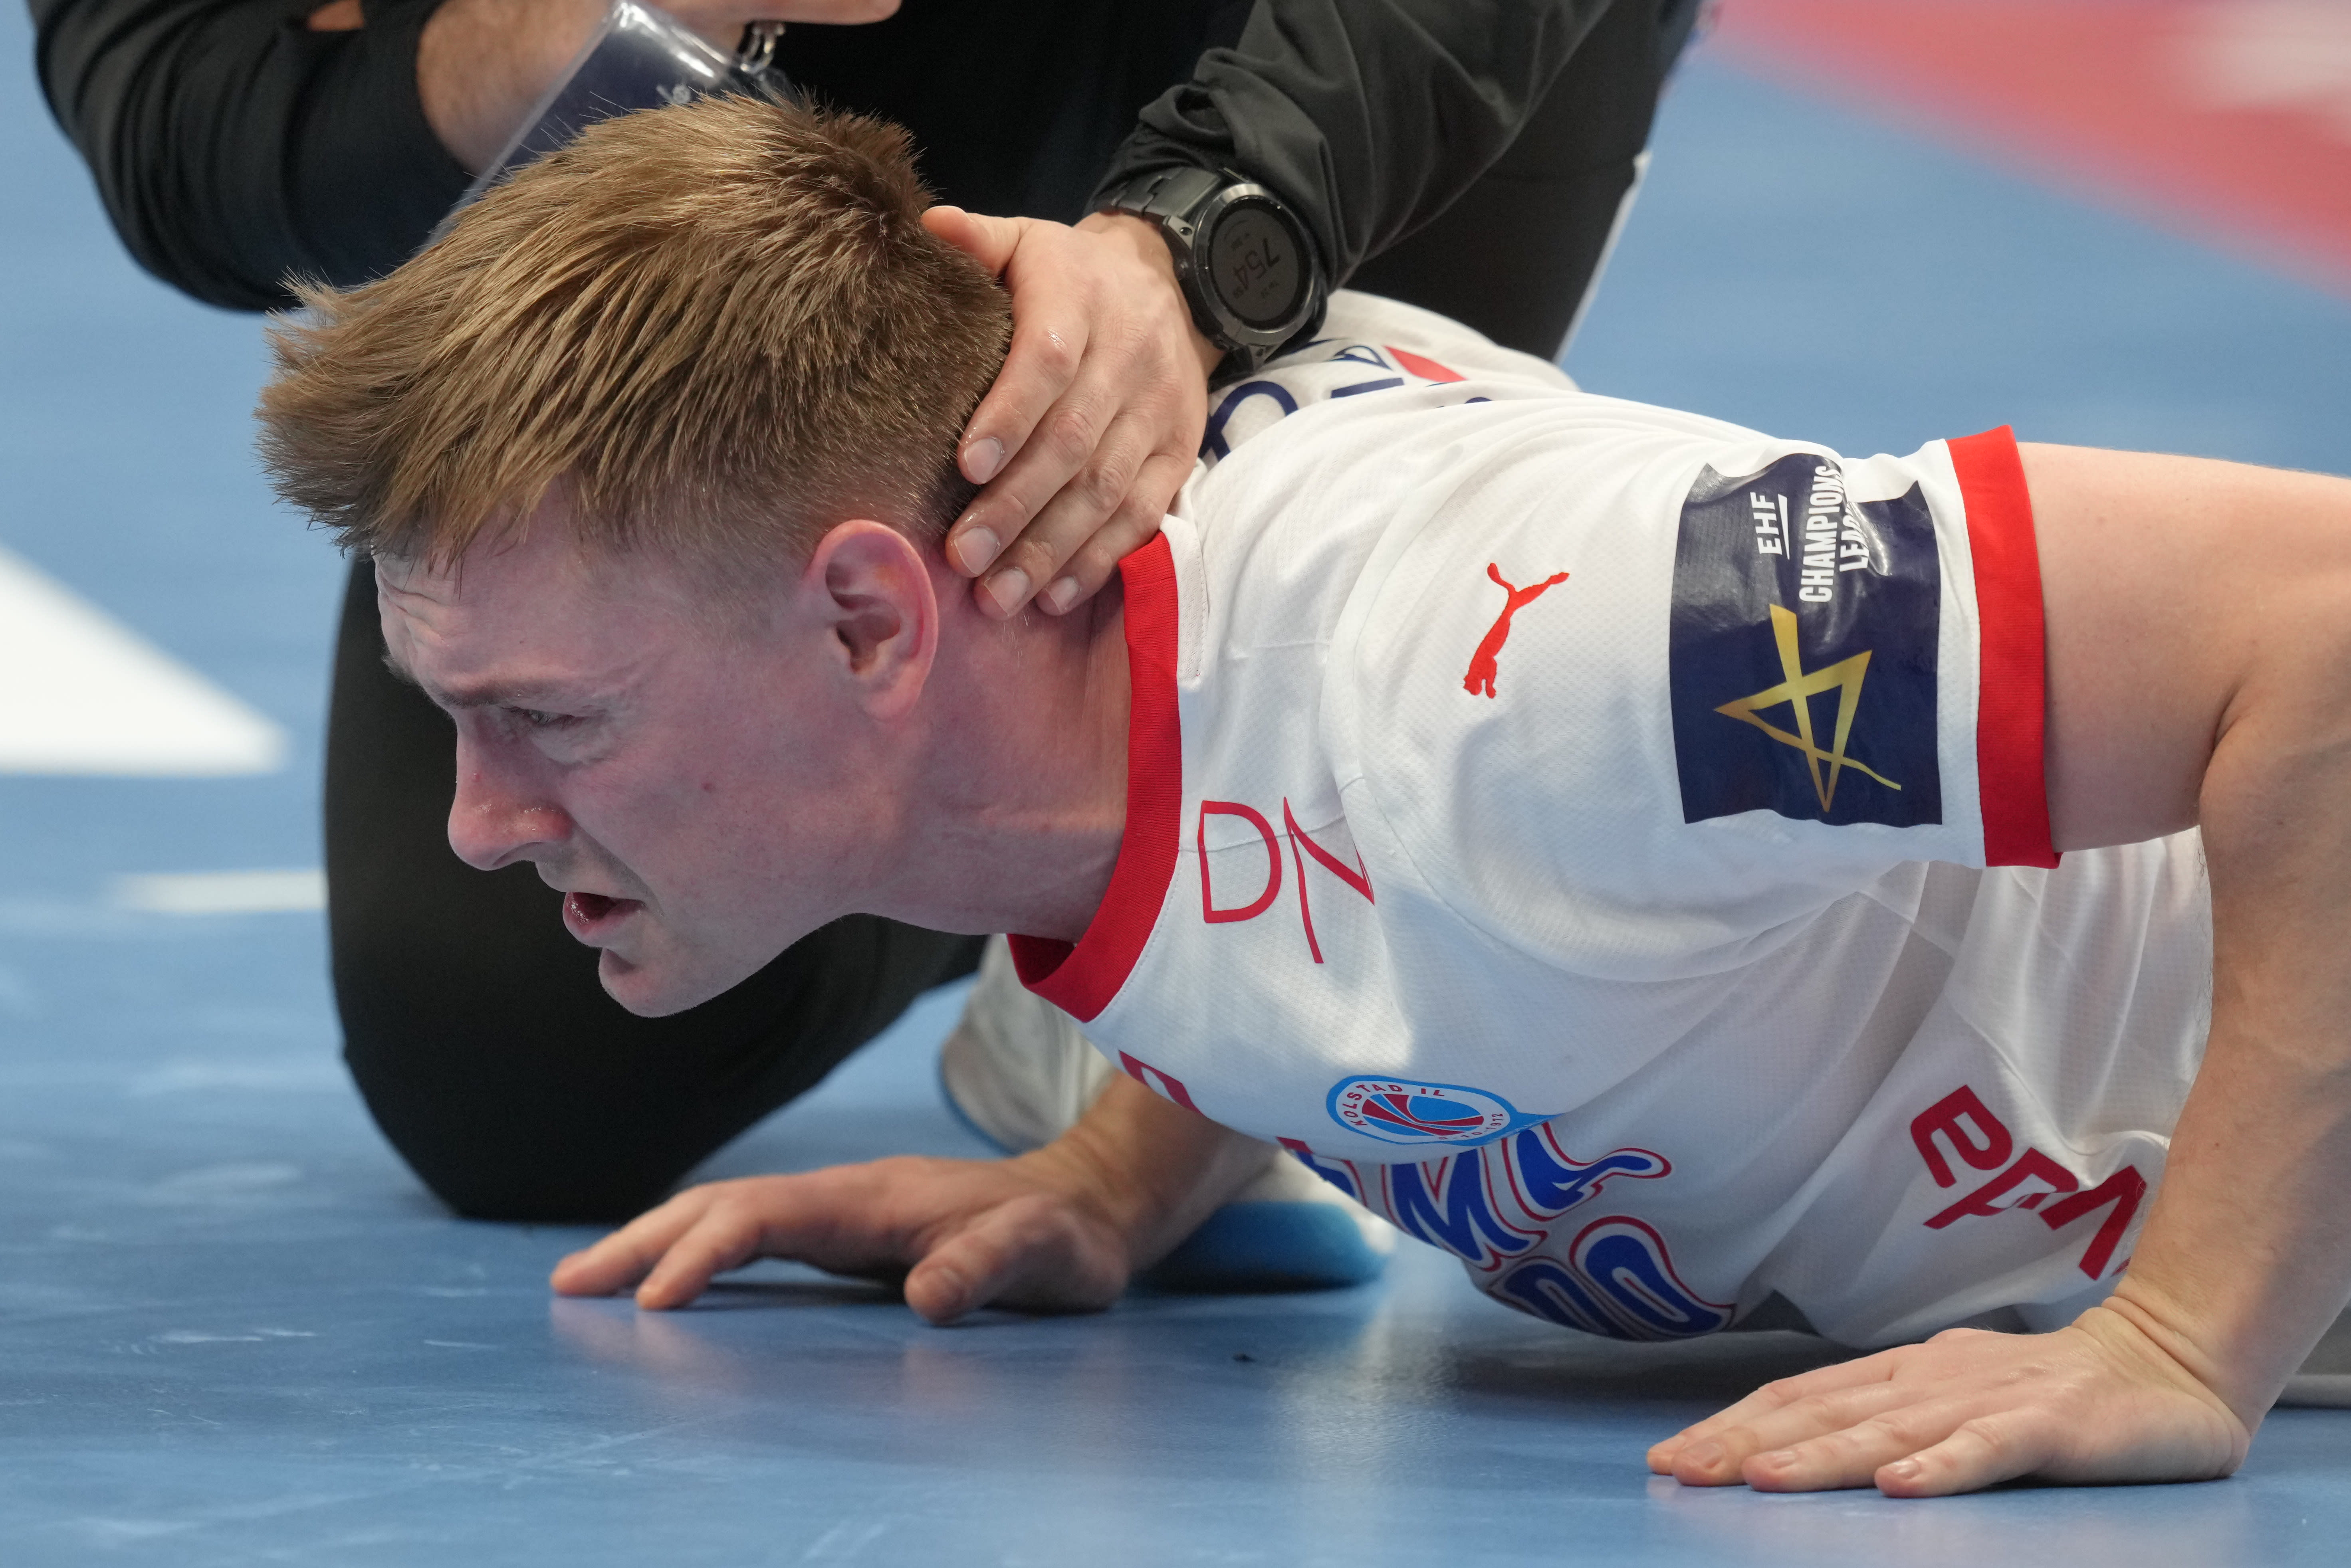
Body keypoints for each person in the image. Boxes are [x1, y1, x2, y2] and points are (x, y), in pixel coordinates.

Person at [256, 92, 2351, 1498]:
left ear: (873, 621)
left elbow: (2321, 621)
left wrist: (2184, 1337)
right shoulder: (1060, 717)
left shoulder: (1531, 664)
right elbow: (1292, 838)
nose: (478, 822)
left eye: (552, 718)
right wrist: (1113, 1180)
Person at [31, 0, 1701, 1222]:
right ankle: (1058, 876)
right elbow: (179, 110)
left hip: (1286, 44)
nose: (485, 819)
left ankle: (1148, 869)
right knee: (518, 1064)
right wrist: (559, 29)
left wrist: (1225, 223)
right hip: (703, 133)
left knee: (1330, 713)